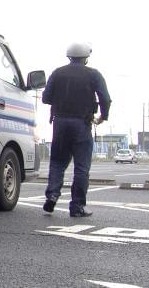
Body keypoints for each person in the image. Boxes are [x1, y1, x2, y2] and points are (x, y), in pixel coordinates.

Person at [42, 42, 111, 217]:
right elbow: (105, 98)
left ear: (69, 56)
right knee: (81, 167)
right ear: (86, 57)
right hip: (82, 123)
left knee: (57, 163)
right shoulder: (93, 74)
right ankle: (77, 206)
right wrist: (103, 116)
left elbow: (46, 98)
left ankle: (52, 195)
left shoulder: (57, 73)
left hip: (60, 123)